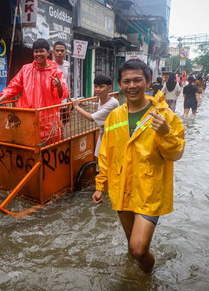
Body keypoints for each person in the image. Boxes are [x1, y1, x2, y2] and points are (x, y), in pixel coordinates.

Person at [93, 59, 185, 273]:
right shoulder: (115, 116)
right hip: (121, 187)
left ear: (148, 81)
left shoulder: (164, 116)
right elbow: (107, 153)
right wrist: (101, 185)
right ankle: (134, 276)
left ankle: (147, 277)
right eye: (126, 81)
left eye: (137, 80)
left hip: (149, 190)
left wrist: (165, 133)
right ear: (119, 84)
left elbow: (177, 153)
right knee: (130, 242)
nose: (132, 86)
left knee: (138, 249)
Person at [0, 39, 69, 144]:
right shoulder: (26, 69)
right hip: (27, 117)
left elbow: (63, 94)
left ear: (48, 53)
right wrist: (0, 98)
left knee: (48, 149)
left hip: (47, 120)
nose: (38, 54)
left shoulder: (56, 72)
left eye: (41, 51)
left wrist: (59, 87)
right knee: (26, 147)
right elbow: (15, 86)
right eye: (36, 51)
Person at [72, 74, 119, 157]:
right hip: (104, 133)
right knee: (100, 158)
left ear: (109, 88)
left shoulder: (113, 103)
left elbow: (91, 118)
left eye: (101, 87)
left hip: (113, 137)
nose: (97, 90)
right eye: (96, 86)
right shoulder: (101, 99)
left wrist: (76, 106)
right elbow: (97, 114)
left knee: (106, 160)